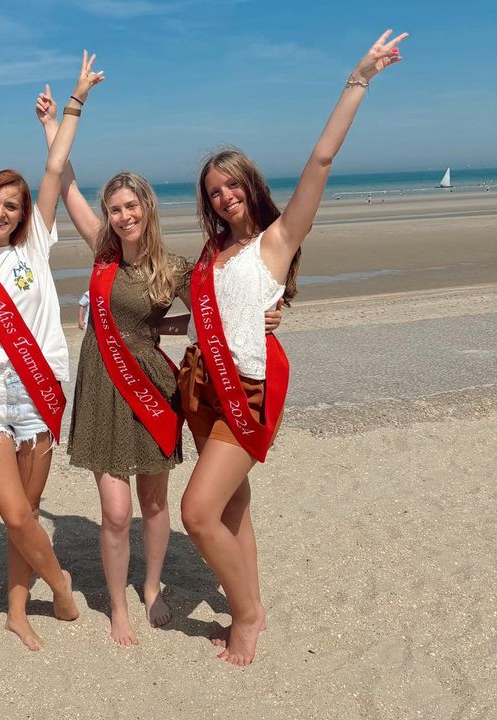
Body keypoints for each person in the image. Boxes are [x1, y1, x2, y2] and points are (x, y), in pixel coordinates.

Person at [177, 30, 407, 666]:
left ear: (250, 185)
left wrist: (357, 81)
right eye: (213, 192)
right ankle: (251, 601)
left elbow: (321, 162)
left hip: (245, 390)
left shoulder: (278, 239)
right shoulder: (213, 254)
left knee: (196, 513)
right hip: (199, 385)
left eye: (232, 186)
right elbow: (213, 317)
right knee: (231, 507)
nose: (224, 196)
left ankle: (246, 615)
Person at [36, 89, 283, 646]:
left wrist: (267, 313)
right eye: (114, 208)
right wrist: (55, 124)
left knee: (153, 504)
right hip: (103, 389)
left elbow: (215, 315)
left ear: (146, 208)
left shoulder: (172, 268)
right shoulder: (101, 251)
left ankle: (152, 589)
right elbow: (66, 183)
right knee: (116, 511)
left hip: (152, 386)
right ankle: (119, 608)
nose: (123, 216)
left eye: (131, 206)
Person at [0, 51, 104, 651]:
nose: (3, 211)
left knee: (29, 510)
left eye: (13, 204)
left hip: (38, 391)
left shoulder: (36, 247)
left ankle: (15, 609)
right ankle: (58, 584)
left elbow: (55, 170)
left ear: (22, 213)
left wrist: (70, 107)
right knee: (13, 512)